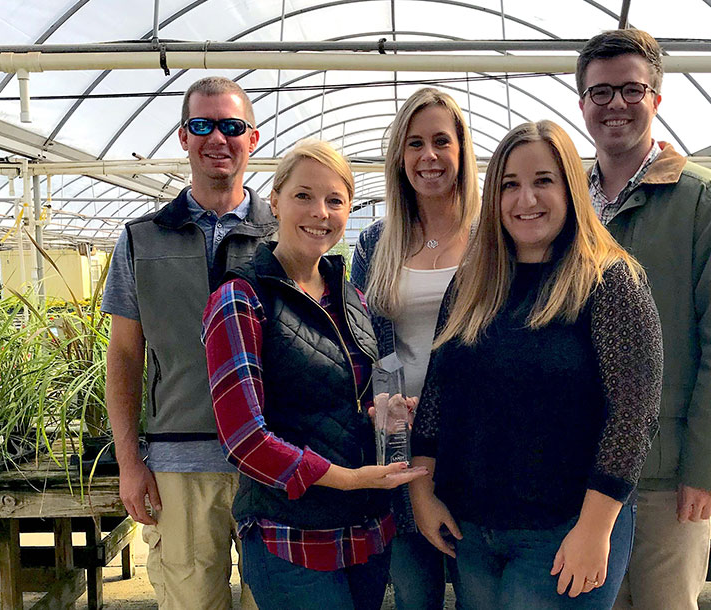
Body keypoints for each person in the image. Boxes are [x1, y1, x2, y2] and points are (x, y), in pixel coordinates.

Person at [409, 120, 664, 609]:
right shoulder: (474, 284)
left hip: (562, 530)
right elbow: (440, 392)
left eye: (542, 181)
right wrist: (423, 492)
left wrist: (594, 528)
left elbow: (633, 417)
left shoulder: (610, 282)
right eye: (510, 185)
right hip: (473, 529)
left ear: (570, 187)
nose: (525, 200)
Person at [202, 140, 428, 610]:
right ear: (276, 200)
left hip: (363, 532)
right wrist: (348, 478)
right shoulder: (241, 298)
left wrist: (382, 414)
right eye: (303, 195)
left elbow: (347, 398)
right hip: (290, 535)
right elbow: (244, 440)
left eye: (335, 200)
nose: (319, 212)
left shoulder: (350, 295)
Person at [575, 29, 711, 610]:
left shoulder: (703, 200)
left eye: (632, 89)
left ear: (656, 98)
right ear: (581, 104)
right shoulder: (569, 201)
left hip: (664, 471)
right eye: (600, 93)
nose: (616, 105)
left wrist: (709, 468)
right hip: (578, 463)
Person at [102, 76, 275, 609]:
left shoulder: (283, 234)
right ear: (183, 137)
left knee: (271, 600)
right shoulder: (142, 238)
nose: (216, 138)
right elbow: (126, 358)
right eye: (201, 125)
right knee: (190, 601)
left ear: (253, 137)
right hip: (180, 464)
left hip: (271, 459)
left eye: (230, 126)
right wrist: (130, 463)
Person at [350, 87, 481, 610]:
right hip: (401, 442)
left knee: (480, 584)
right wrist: (374, 404)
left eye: (441, 142)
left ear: (462, 151)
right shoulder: (377, 242)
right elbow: (357, 339)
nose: (429, 156)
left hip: (477, 439)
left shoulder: (492, 235)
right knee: (412, 586)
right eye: (414, 144)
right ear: (400, 158)